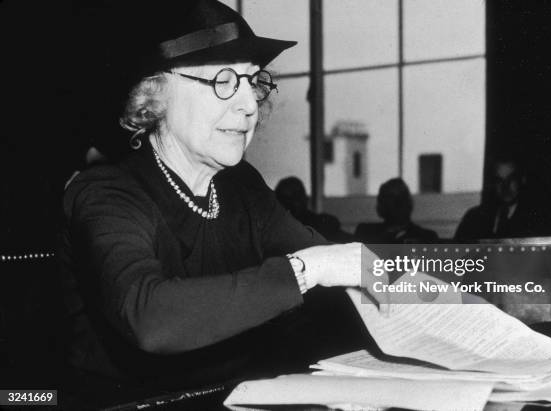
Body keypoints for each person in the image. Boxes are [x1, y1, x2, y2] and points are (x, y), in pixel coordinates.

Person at [60, 0, 385, 403]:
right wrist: (306, 269)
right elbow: (150, 318)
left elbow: (335, 258)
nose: (249, 105)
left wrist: (473, 277)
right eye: (223, 80)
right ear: (155, 94)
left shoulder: (240, 187)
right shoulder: (107, 192)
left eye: (253, 81)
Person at [454, 156, 543, 241]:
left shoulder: (537, 219)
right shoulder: (473, 217)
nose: (505, 186)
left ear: (522, 179)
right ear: (492, 183)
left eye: (511, 179)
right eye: (499, 180)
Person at [354, 178, 438, 244]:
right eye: (391, 199)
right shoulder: (365, 233)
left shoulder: (427, 238)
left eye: (399, 200)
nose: (396, 206)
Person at [275, 176, 353, 243]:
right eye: (287, 199)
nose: (294, 202)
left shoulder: (322, 222)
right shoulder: (279, 231)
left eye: (297, 195)